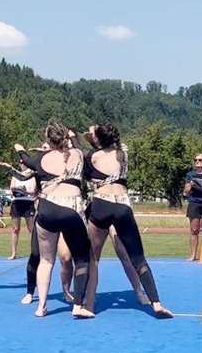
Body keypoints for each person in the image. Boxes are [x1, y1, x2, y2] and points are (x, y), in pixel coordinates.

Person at [74, 124, 172, 318]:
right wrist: (96, 136)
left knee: (92, 258)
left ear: (97, 140)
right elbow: (105, 146)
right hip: (122, 206)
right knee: (138, 258)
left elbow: (81, 153)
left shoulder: (92, 157)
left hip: (101, 204)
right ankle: (156, 303)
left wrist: (75, 137)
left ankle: (86, 304)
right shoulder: (123, 154)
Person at [6, 121, 94, 319]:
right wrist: (74, 137)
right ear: (64, 138)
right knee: (81, 260)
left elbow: (28, 162)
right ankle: (78, 304)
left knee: (46, 261)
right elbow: (81, 150)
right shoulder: (77, 155)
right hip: (71, 209)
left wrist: (20, 151)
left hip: (47, 209)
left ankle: (42, 306)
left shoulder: (41, 158)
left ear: (48, 140)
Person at [8, 166, 36, 259]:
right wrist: (14, 190)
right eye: (20, 162)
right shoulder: (15, 176)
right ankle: (13, 253)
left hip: (28, 203)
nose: (22, 164)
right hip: (16, 203)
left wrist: (24, 191)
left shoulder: (32, 176)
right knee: (15, 229)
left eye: (23, 162)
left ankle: (34, 252)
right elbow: (11, 191)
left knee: (31, 229)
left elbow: (33, 191)